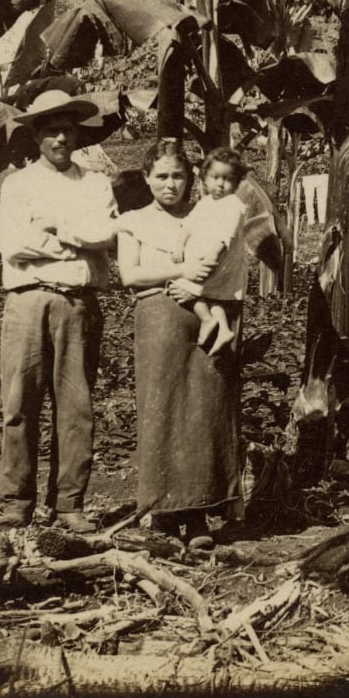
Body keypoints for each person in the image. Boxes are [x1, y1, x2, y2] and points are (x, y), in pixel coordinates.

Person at [0, 89, 118, 533]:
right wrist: (71, 244)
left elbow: (105, 233)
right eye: (50, 131)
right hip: (27, 301)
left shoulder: (96, 183)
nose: (60, 139)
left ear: (77, 133)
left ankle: (69, 502)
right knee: (20, 403)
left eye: (67, 130)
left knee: (76, 406)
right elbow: (14, 244)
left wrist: (55, 229)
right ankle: (16, 501)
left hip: (77, 304)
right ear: (36, 136)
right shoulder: (18, 184)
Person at [117, 140, 245, 542]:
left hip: (207, 317)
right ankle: (162, 513)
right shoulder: (133, 220)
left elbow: (228, 258)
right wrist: (181, 269)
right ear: (147, 179)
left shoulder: (210, 210)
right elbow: (130, 276)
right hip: (158, 319)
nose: (170, 184)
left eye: (178, 175)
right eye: (161, 176)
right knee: (162, 409)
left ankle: (200, 514)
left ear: (191, 178)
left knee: (205, 413)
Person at [171, 147, 250, 355]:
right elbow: (187, 226)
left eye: (228, 179)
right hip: (202, 257)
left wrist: (213, 255)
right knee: (211, 297)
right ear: (205, 178)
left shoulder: (233, 205)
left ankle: (207, 319)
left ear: (237, 182)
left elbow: (226, 235)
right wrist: (179, 244)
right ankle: (223, 329)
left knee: (181, 285)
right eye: (215, 177)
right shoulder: (205, 203)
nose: (220, 184)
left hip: (217, 260)